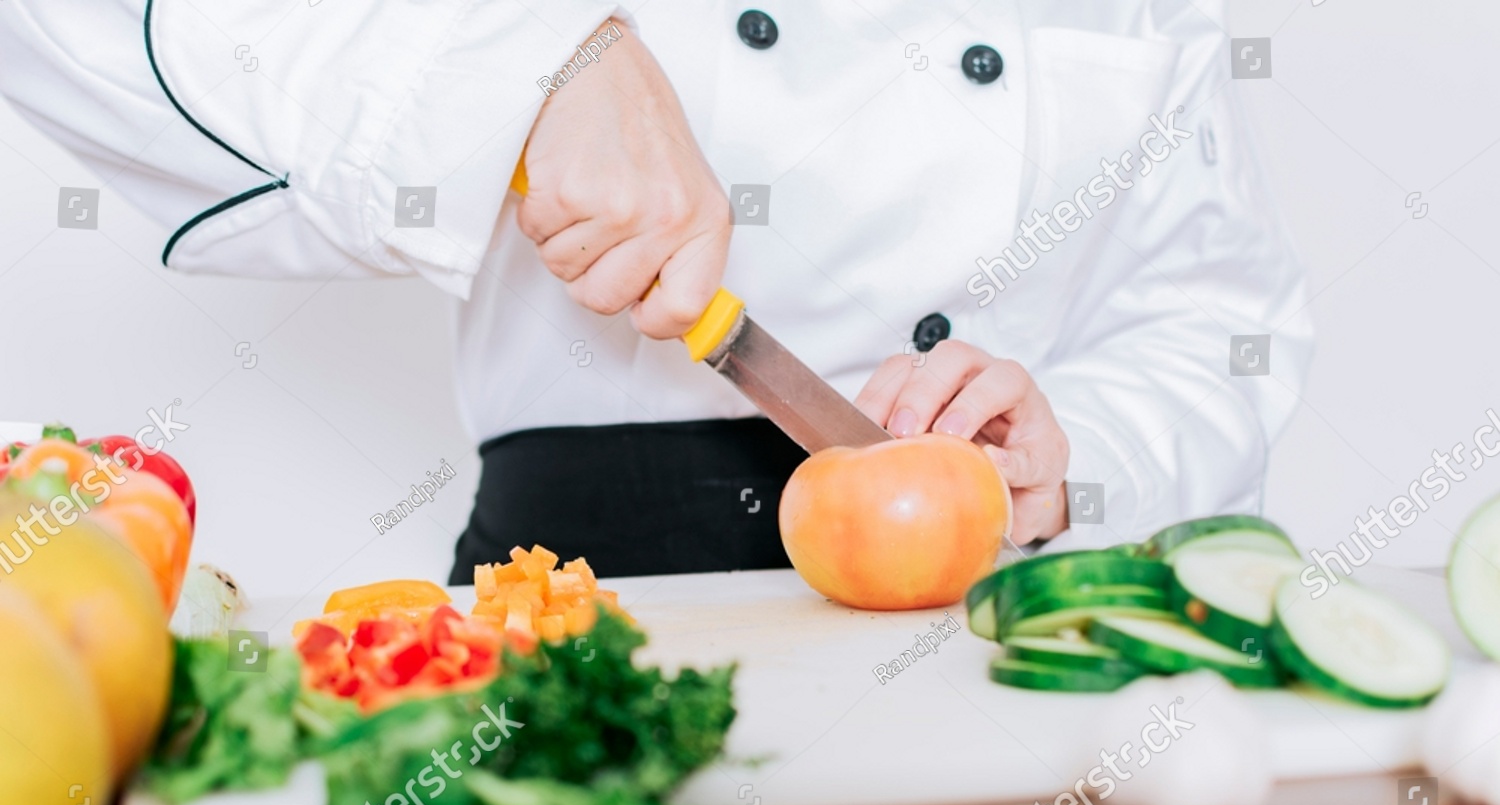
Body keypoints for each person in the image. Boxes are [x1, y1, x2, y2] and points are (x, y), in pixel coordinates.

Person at [0, 2, 1311, 581]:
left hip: (979, 634)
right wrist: (523, 60)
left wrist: (1078, 458)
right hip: (575, 610)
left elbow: (1216, 325)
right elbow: (80, 29)